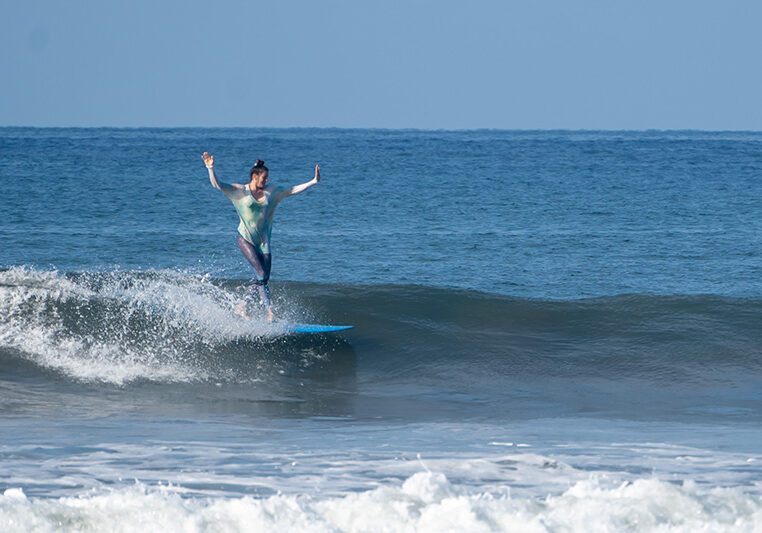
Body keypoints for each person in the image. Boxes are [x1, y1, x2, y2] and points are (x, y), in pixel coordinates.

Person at [202, 152, 320, 321]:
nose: (266, 181)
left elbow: (291, 190)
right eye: (263, 178)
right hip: (245, 239)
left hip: (264, 242)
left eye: (267, 178)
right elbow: (217, 185)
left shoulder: (271, 192)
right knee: (261, 274)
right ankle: (270, 311)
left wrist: (313, 181)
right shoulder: (240, 192)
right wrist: (210, 168)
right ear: (254, 176)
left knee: (263, 278)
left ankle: (242, 305)